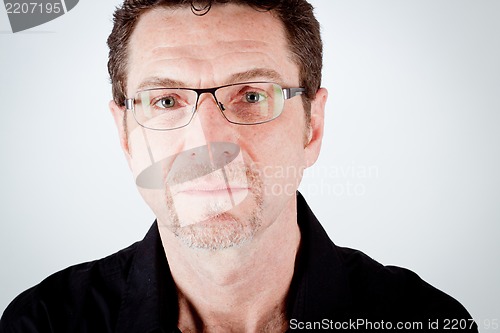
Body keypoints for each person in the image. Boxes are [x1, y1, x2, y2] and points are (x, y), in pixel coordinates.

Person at [0, 0, 478, 332]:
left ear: (312, 128)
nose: (207, 142)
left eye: (251, 95)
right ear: (126, 137)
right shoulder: (43, 322)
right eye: (165, 100)